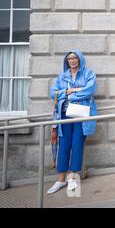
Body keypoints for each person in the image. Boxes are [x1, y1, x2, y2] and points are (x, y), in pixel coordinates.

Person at [47, 51, 97, 194]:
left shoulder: (88, 73)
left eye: (75, 58)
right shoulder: (62, 76)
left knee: (77, 145)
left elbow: (90, 90)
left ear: (80, 59)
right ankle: (60, 180)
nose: (72, 60)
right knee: (63, 145)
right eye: (70, 58)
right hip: (64, 115)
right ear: (67, 61)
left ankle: (73, 180)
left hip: (81, 115)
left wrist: (72, 93)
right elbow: (53, 93)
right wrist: (67, 91)